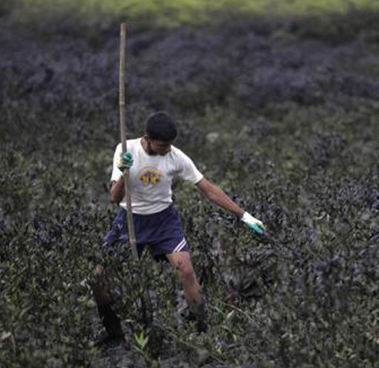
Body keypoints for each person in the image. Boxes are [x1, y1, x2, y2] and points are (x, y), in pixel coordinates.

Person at [91, 111, 265, 343]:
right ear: (148, 138)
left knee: (186, 271)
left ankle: (204, 333)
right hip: (130, 220)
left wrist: (244, 216)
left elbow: (208, 188)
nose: (167, 149)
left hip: (164, 221)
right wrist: (124, 173)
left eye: (170, 144)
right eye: (163, 145)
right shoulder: (125, 150)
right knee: (97, 279)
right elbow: (114, 198)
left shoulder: (176, 157)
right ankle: (114, 334)